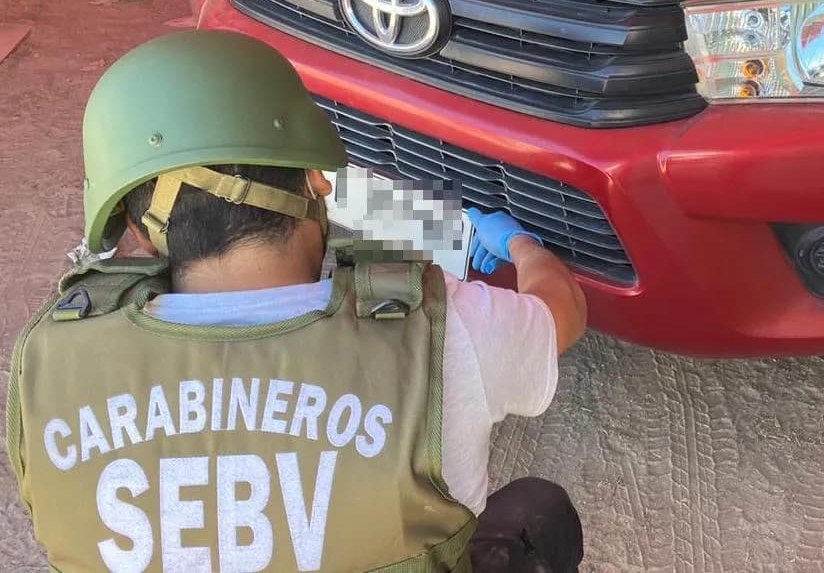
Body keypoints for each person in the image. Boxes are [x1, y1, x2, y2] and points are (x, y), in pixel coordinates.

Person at [7, 29, 587, 573]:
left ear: (137, 231)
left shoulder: (50, 365)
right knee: (537, 510)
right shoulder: (445, 328)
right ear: (316, 182)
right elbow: (563, 314)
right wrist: (518, 241)